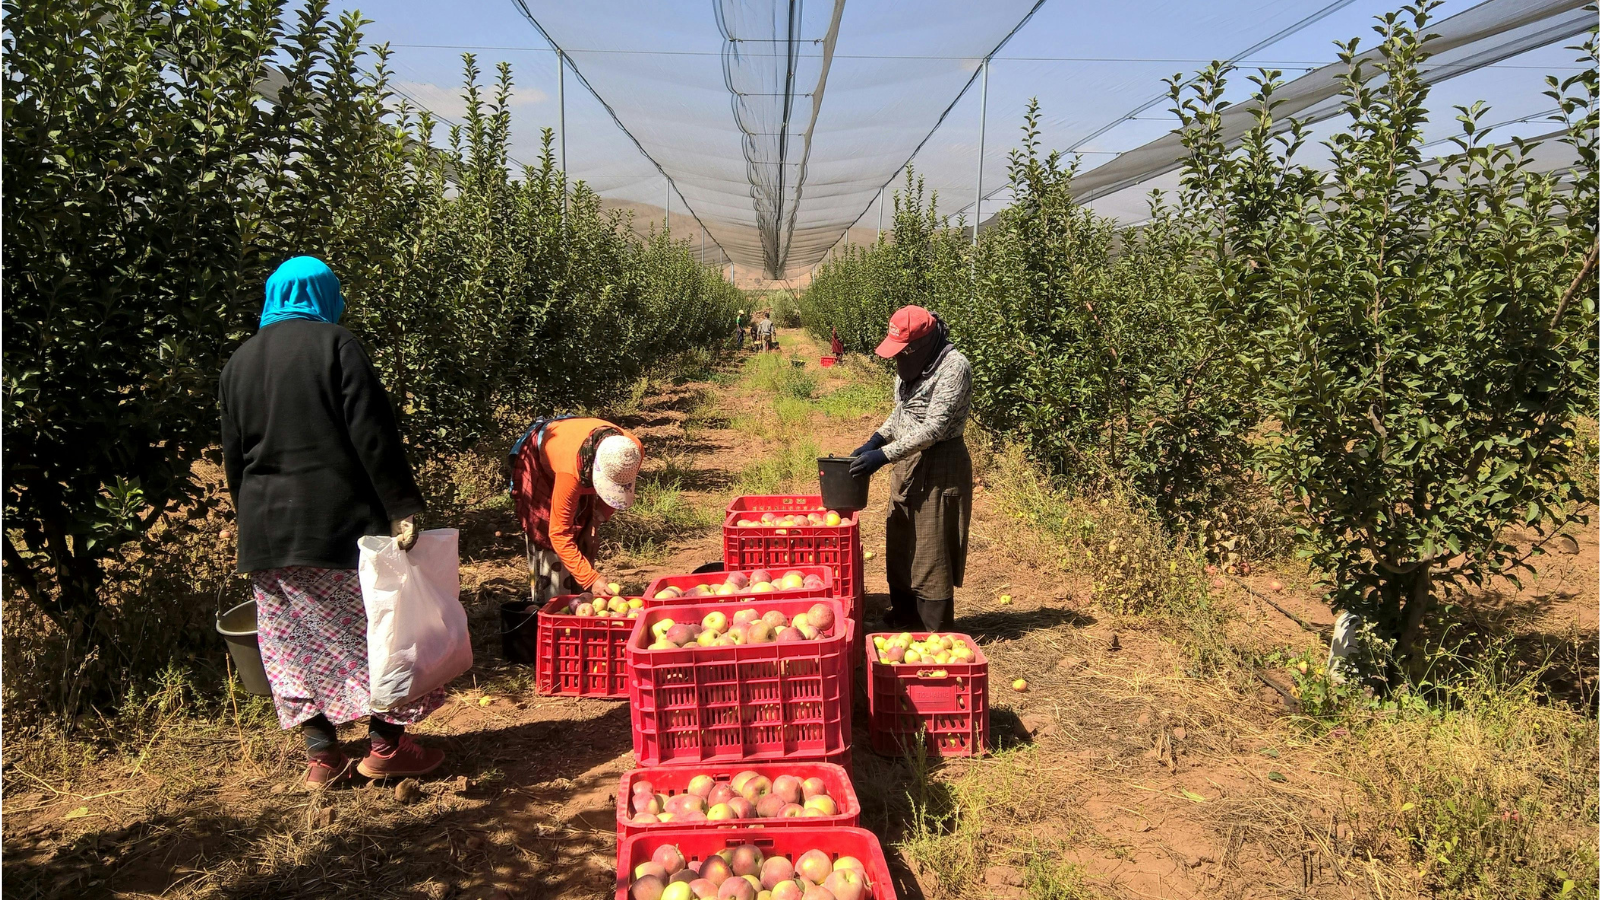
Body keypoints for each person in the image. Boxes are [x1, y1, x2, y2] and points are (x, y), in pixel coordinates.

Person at [219, 256, 445, 790]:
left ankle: (322, 755)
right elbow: (372, 432)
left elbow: (234, 457)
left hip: (267, 530)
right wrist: (402, 504)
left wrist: (251, 515)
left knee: (289, 643)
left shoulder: (238, 363)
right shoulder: (335, 345)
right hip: (337, 523)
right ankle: (388, 746)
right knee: (379, 634)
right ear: (324, 295)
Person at [848, 306, 973, 631]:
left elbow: (933, 428)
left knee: (930, 546)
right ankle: (903, 614)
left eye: (903, 352)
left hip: (939, 463)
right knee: (903, 536)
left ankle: (931, 627)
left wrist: (883, 456)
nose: (898, 360)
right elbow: (903, 413)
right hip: (906, 461)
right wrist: (875, 440)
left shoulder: (954, 367)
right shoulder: (911, 367)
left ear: (920, 345)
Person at [514, 417, 644, 601]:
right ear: (593, 471)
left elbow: (615, 491)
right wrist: (591, 579)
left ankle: (578, 597)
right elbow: (558, 534)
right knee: (547, 536)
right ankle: (551, 601)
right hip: (544, 456)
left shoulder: (631, 452)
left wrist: (594, 524)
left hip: (580, 454)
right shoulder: (570, 472)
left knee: (583, 532)